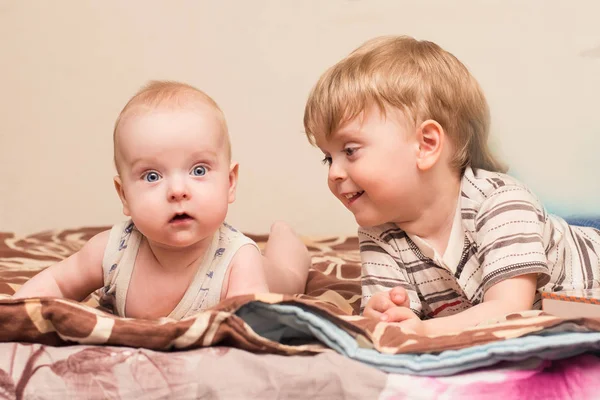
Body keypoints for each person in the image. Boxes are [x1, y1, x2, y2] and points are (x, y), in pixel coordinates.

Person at [303, 35, 600, 335]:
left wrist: (425, 331)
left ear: (426, 145)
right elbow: (397, 317)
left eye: (350, 151)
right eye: (328, 158)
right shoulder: (378, 233)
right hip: (557, 308)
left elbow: (511, 310)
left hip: (586, 286)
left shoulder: (502, 203)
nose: (334, 173)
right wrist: (386, 312)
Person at [13, 80, 311, 320]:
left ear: (229, 183)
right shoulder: (112, 251)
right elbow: (55, 283)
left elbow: (249, 324)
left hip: (269, 276)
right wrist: (14, 313)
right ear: (124, 196)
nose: (177, 191)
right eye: (152, 176)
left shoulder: (239, 260)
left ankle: (283, 235)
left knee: (289, 275)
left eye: (198, 170)